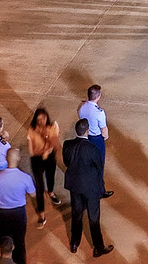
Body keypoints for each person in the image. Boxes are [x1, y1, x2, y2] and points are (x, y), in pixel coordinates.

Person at [62, 120, 113, 256]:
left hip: (75, 186)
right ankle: (98, 246)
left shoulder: (67, 145)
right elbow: (98, 167)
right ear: (87, 131)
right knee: (93, 217)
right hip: (90, 188)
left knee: (76, 214)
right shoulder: (92, 149)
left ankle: (74, 243)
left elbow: (66, 162)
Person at [0, 153, 35, 264]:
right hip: (18, 213)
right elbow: (33, 194)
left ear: (6, 158)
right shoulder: (25, 177)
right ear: (18, 159)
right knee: (19, 241)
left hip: (1, 212)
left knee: (2, 238)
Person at [27, 106, 61, 219]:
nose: (42, 121)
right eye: (39, 119)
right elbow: (30, 150)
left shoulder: (52, 127)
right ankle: (41, 212)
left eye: (44, 118)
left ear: (47, 117)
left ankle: (51, 192)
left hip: (49, 156)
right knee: (39, 185)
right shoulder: (32, 130)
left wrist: (47, 151)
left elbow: (55, 144)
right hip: (37, 159)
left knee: (50, 175)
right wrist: (38, 154)